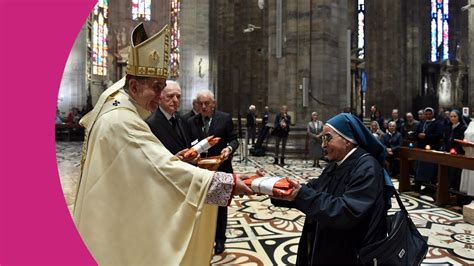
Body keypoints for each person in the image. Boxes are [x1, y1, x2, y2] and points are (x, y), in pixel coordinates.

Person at [73, 23, 253, 265]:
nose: (161, 97)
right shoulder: (122, 121)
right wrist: (227, 184)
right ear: (134, 86)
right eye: (157, 89)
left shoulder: (117, 107)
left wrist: (175, 159)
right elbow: (162, 170)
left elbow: (143, 166)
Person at [271, 113, 392, 264]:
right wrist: (275, 188)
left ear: (347, 140)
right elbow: (315, 188)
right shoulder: (337, 164)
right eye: (322, 138)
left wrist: (300, 195)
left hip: (352, 255)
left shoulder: (367, 167)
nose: (323, 145)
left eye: (327, 138)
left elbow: (346, 211)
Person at [187, 90, 239, 255]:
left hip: (221, 168)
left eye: (207, 104)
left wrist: (229, 148)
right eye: (200, 104)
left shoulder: (224, 118)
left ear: (213, 104)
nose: (203, 107)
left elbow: (234, 139)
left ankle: (220, 240)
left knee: (220, 205)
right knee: (202, 205)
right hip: (199, 170)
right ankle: (204, 238)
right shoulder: (191, 121)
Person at [146, 80, 191, 156]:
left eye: (178, 96)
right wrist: (174, 158)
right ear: (159, 97)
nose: (175, 100)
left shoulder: (182, 120)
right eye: (170, 96)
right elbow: (151, 155)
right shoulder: (151, 124)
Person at [415, 107, 443, 188]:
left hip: (432, 147)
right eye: (426, 114)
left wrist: (426, 136)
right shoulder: (422, 122)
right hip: (421, 148)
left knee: (430, 168)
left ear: (433, 114)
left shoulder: (437, 123)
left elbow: (439, 135)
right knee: (420, 167)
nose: (427, 115)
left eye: (429, 114)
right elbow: (417, 132)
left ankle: (430, 186)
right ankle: (419, 184)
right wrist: (418, 135)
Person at [442, 110, 467, 190]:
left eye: (455, 116)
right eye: (451, 116)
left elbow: (462, 141)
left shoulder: (463, 128)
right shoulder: (448, 127)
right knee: (447, 171)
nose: (452, 118)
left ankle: (455, 189)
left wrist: (455, 150)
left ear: (459, 117)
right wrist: (445, 148)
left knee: (455, 172)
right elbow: (445, 139)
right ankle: (447, 187)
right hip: (448, 152)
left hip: (458, 153)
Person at [460, 119, 474, 196]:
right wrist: (464, 143)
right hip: (468, 154)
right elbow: (466, 135)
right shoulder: (471, 123)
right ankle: (466, 198)